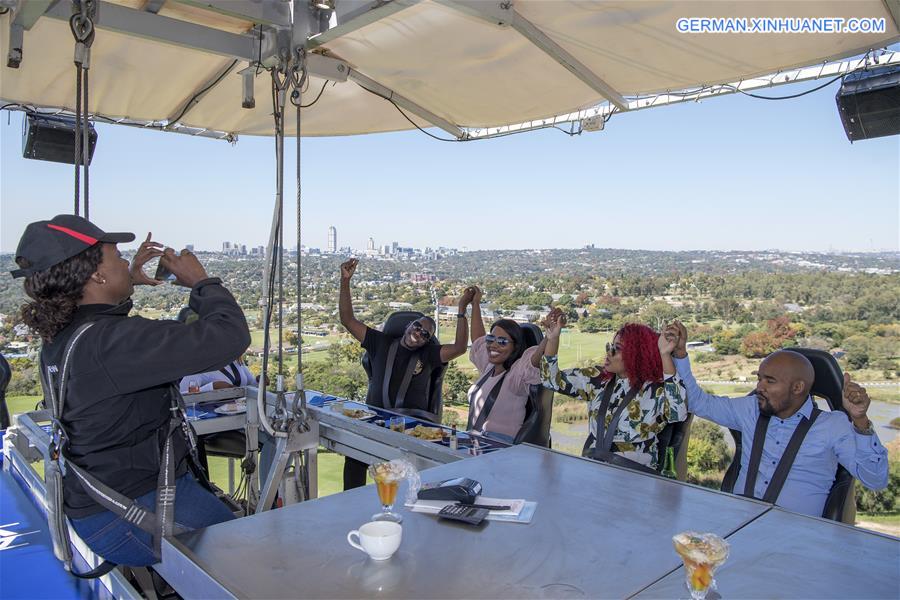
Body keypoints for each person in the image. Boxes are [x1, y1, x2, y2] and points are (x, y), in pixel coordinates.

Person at [12, 214, 251, 567]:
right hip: (135, 506)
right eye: (118, 257)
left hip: (101, 506)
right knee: (254, 559)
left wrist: (125, 283)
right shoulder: (112, 343)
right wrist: (203, 282)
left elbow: (104, 331)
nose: (127, 261)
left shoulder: (66, 335)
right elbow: (230, 336)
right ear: (96, 274)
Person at [666, 321, 888, 517]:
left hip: (797, 541)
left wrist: (860, 421)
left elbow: (876, 480)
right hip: (736, 526)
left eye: (769, 381)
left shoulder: (833, 425)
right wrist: (681, 355)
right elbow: (697, 402)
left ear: (798, 387)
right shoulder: (749, 409)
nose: (759, 387)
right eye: (759, 378)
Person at [339, 258, 474, 488]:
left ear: (428, 341)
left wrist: (462, 310)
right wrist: (345, 281)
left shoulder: (429, 356)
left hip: (409, 427)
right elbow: (348, 320)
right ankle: (352, 507)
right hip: (375, 421)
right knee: (353, 457)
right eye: (417, 326)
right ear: (408, 326)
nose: (419, 333)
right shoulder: (380, 343)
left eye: (426, 334)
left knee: (402, 472)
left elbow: (460, 347)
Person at [541, 310, 687, 471]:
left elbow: (678, 412)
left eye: (616, 349)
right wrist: (553, 339)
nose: (608, 353)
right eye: (609, 347)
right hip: (594, 466)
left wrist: (665, 355)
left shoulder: (655, 389)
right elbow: (551, 381)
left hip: (635, 473)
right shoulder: (598, 379)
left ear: (636, 354)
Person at [465, 286, 550, 442]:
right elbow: (478, 339)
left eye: (503, 342)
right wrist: (475, 303)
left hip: (499, 447)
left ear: (515, 347)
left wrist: (549, 337)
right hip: (475, 441)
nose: (494, 345)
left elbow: (535, 360)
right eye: (491, 339)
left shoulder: (516, 375)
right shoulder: (488, 366)